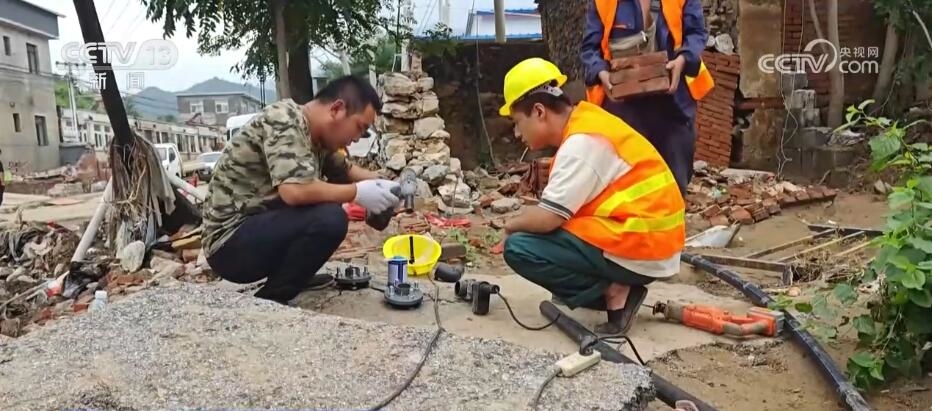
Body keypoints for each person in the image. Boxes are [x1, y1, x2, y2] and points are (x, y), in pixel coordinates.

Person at [498, 58, 685, 335]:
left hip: (643, 244)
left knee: (519, 247)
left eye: (517, 122)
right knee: (547, 233)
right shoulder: (588, 122)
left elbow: (549, 218)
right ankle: (603, 287)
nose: (517, 133)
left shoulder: (581, 144)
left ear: (539, 111)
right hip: (649, 238)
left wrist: (509, 225)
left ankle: (615, 292)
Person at [203, 76, 400, 304]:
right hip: (229, 245)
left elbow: (345, 170)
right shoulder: (284, 119)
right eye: (360, 127)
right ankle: (270, 300)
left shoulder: (317, 137)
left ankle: (294, 274)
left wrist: (385, 185)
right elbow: (294, 191)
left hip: (256, 230)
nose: (356, 138)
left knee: (330, 197)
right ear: (337, 109)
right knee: (330, 218)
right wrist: (359, 193)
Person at [581, 0, 713, 195]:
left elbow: (696, 34)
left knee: (674, 184)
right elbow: (590, 49)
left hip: (673, 107)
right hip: (623, 110)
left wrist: (682, 60)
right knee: (630, 187)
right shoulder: (603, 3)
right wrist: (602, 73)